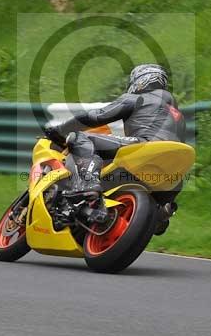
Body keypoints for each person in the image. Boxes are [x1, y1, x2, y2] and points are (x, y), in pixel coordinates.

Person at [42, 64, 186, 228]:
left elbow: (96, 116)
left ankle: (88, 187)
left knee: (80, 138)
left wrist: (60, 131)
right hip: (174, 175)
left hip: (146, 145)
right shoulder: (177, 114)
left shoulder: (139, 98)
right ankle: (162, 213)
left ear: (142, 80)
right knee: (156, 221)